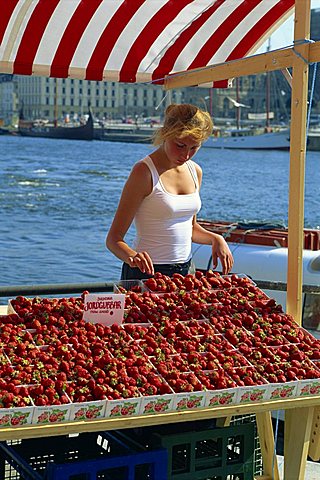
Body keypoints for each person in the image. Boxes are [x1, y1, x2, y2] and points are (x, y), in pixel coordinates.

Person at [106, 103, 233, 280]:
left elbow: (191, 228)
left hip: (186, 271)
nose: (186, 155)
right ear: (166, 134)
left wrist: (216, 239)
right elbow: (114, 239)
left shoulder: (195, 171)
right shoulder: (143, 172)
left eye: (194, 147)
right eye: (180, 145)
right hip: (146, 273)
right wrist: (133, 256)